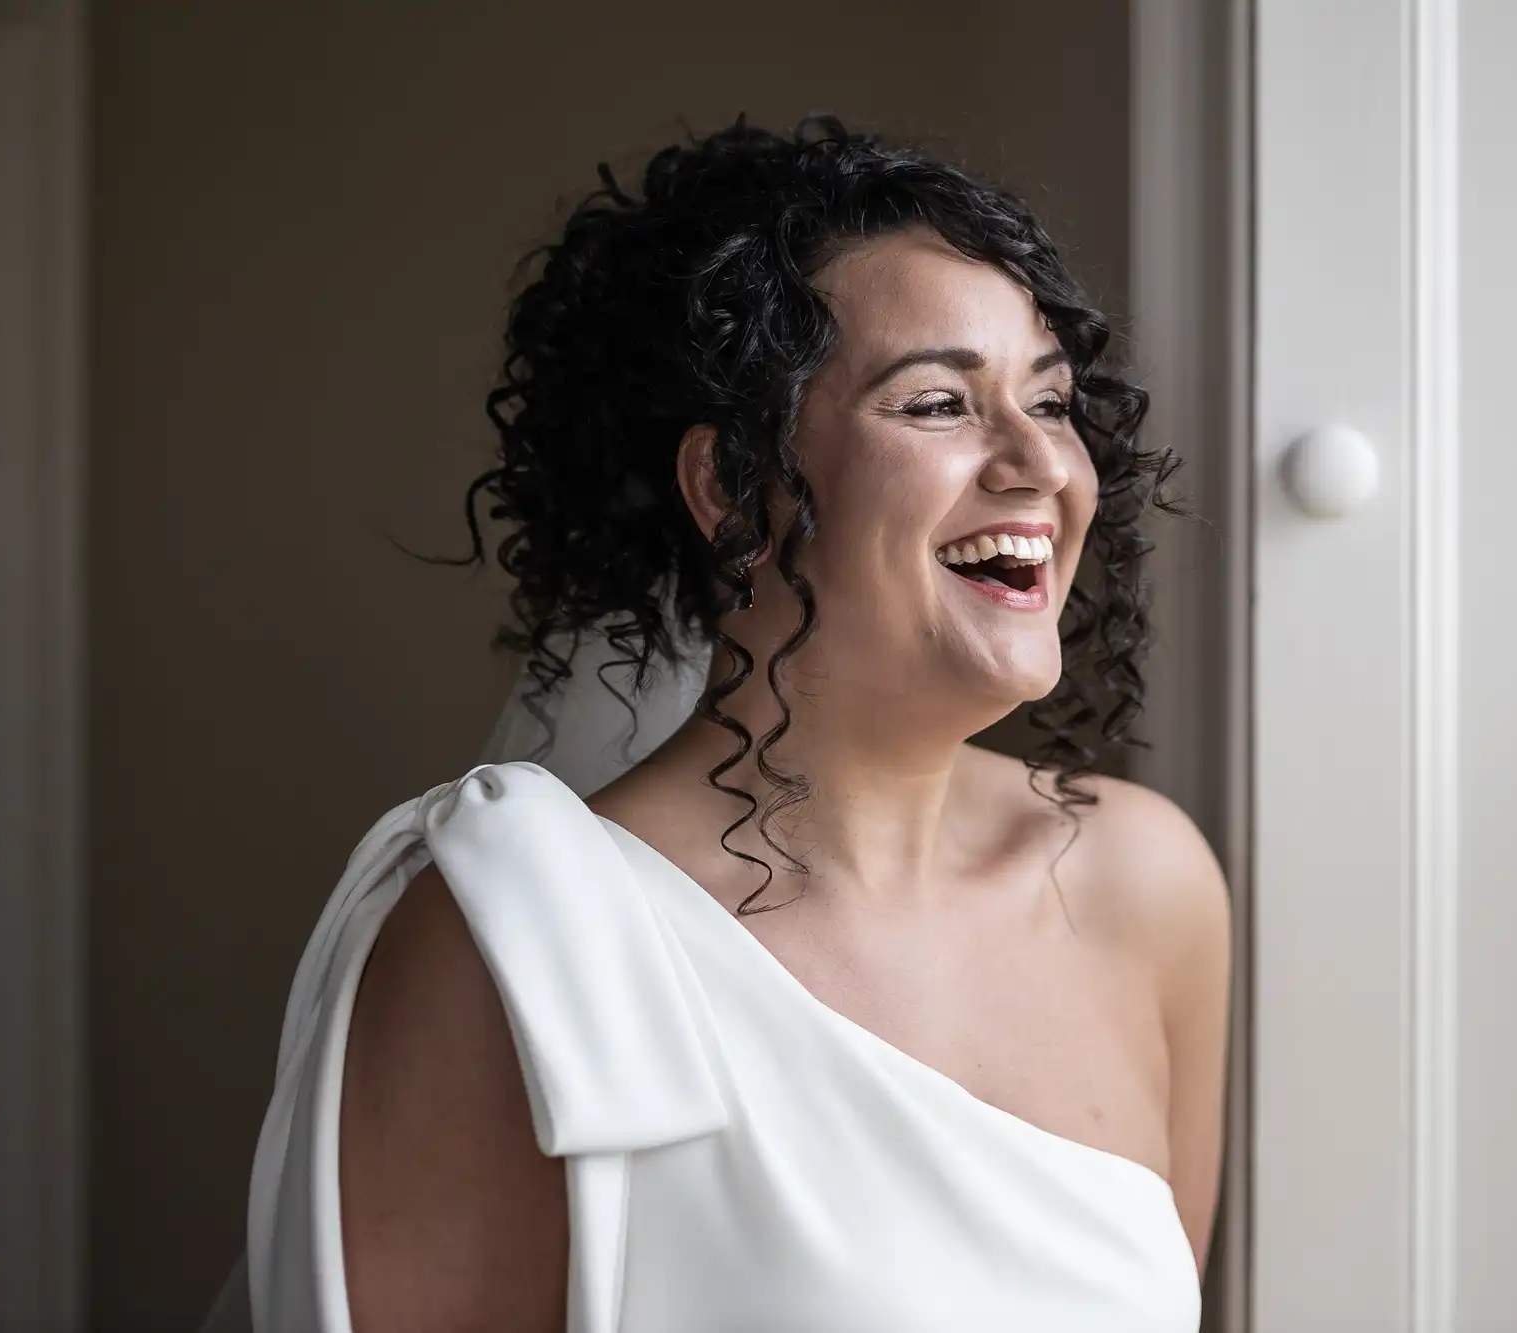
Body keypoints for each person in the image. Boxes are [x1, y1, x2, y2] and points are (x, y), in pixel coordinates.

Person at [238, 116, 1230, 1333]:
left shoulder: (1147, 883)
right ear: (730, 488)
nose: (1039, 464)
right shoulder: (514, 932)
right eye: (935, 404)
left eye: (1052, 401)